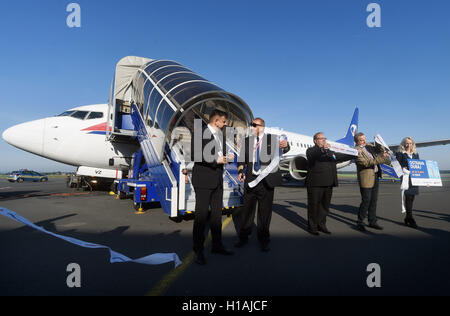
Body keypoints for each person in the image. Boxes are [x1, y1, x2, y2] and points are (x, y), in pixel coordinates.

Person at [235, 118, 290, 252]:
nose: (252, 127)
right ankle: (243, 237)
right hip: (251, 180)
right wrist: (241, 171)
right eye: (251, 125)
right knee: (247, 211)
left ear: (262, 127)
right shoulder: (247, 141)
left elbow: (285, 149)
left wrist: (286, 145)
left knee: (264, 213)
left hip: (266, 181)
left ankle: (264, 239)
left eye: (255, 125)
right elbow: (242, 159)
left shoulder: (272, 139)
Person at [190, 109, 234, 265]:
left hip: (217, 181)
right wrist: (217, 160)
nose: (225, 123)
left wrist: (227, 157)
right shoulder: (199, 133)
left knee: (216, 216)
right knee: (201, 216)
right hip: (203, 180)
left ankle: (217, 245)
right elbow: (196, 155)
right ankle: (198, 250)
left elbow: (219, 155)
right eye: (223, 121)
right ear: (216, 121)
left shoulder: (220, 137)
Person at [306, 132, 354, 235]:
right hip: (315, 183)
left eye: (324, 138)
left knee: (325, 206)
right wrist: (322, 150)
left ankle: (322, 225)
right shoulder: (311, 150)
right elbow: (313, 156)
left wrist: (354, 153)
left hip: (329, 182)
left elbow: (341, 157)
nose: (324, 140)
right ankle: (312, 227)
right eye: (321, 138)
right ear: (315, 140)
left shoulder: (330, 152)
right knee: (313, 206)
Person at [354, 132, 390, 232]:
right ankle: (360, 222)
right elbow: (367, 163)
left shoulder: (369, 146)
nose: (364, 141)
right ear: (357, 141)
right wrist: (382, 158)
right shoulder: (355, 150)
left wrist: (378, 142)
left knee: (374, 201)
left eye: (365, 139)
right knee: (366, 201)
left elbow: (378, 150)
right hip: (366, 178)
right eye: (362, 140)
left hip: (375, 176)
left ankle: (372, 221)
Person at [396, 137, 420, 228]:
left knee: (411, 199)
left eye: (410, 143)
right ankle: (411, 219)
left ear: (413, 144)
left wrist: (426, 180)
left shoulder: (415, 154)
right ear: (403, 144)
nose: (408, 145)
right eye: (406, 143)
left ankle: (407, 218)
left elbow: (420, 166)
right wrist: (403, 168)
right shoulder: (400, 153)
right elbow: (397, 166)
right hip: (406, 178)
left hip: (414, 178)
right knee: (408, 198)